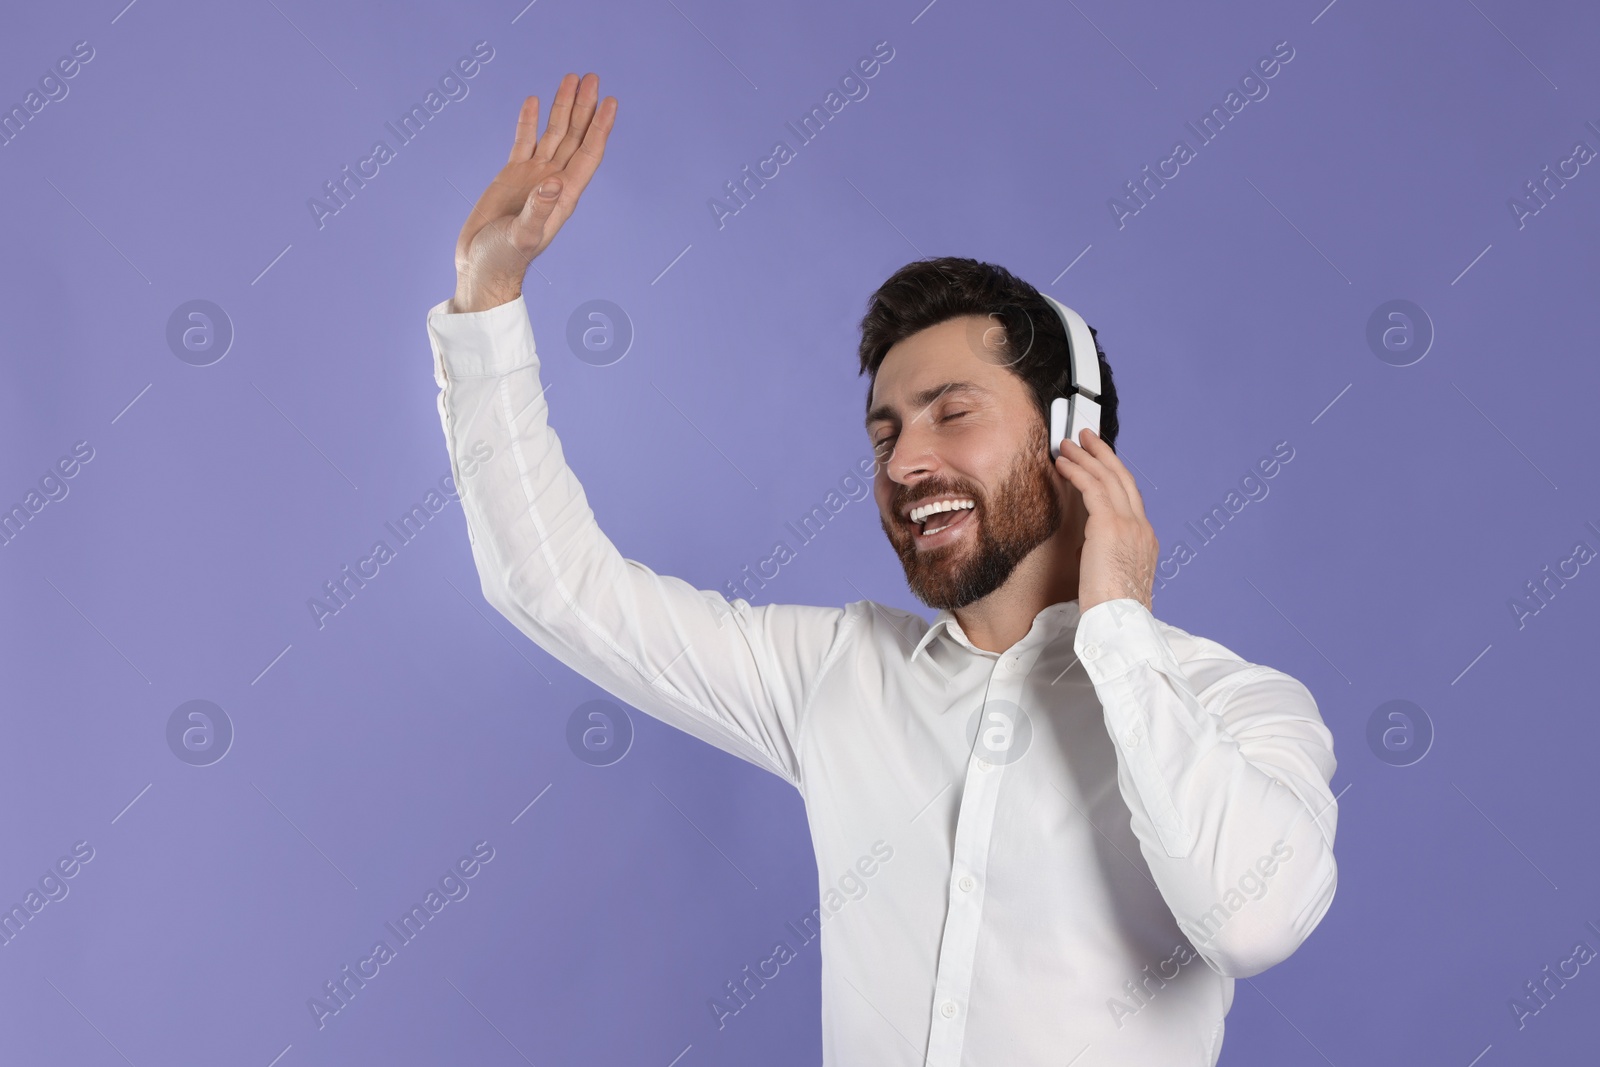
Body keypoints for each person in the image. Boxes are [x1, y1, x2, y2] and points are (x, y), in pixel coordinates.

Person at [427, 72, 1338, 1067]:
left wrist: (1117, 625)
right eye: (884, 433)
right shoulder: (840, 673)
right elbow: (554, 586)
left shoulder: (1238, 706)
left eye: (952, 412)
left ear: (1071, 436)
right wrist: (487, 299)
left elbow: (1253, 920)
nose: (904, 461)